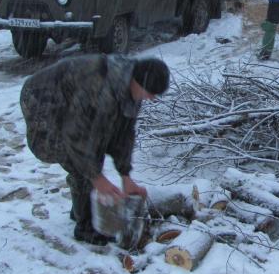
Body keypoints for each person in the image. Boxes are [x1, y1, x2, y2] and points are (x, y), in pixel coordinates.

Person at [20, 54, 170, 245]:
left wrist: (126, 175)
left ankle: (82, 207)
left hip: (73, 100)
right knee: (78, 159)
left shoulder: (131, 89)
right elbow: (76, 135)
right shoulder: (99, 88)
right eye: (150, 93)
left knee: (94, 150)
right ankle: (87, 228)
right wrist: (97, 178)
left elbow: (124, 133)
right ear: (137, 81)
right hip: (41, 98)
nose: (152, 99)